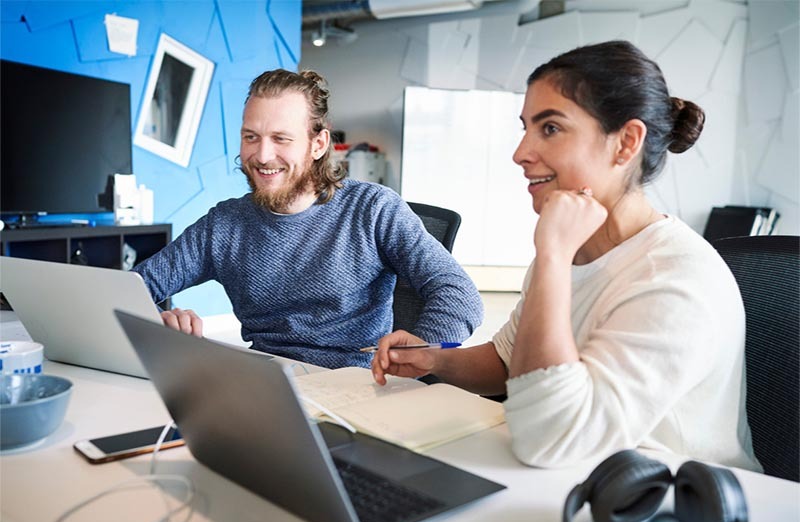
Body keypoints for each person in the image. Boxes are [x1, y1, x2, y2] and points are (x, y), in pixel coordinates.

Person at [371, 41, 761, 471]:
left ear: (626, 143)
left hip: (672, 500)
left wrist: (553, 254)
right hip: (583, 479)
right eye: (526, 128)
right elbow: (509, 361)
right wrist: (433, 358)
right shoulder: (571, 249)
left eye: (550, 128)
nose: (520, 153)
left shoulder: (674, 278)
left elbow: (551, 439)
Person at [133, 68, 483, 369]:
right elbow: (133, 288)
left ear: (318, 144)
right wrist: (157, 320)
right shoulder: (225, 224)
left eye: (280, 138)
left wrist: (425, 354)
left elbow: (459, 293)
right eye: (250, 137)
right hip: (266, 380)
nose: (262, 154)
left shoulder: (373, 209)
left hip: (354, 384)